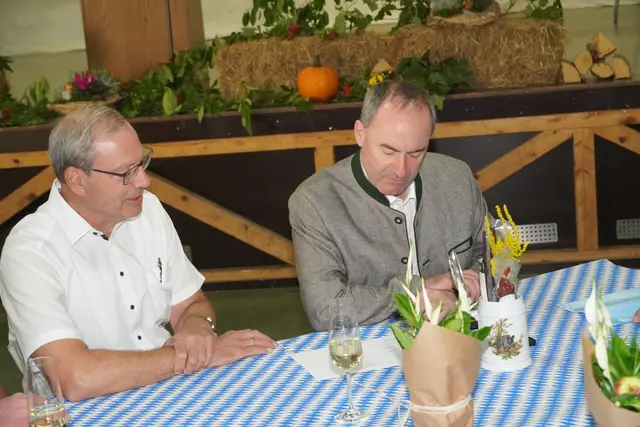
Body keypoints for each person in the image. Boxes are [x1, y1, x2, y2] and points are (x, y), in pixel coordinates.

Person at [0, 105, 276, 402]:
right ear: (77, 180)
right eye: (126, 173)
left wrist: (198, 329)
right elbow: (75, 379)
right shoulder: (30, 251)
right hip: (87, 412)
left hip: (170, 389)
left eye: (142, 163)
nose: (144, 181)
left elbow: (190, 303)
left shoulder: (149, 210)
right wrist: (188, 357)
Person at [288, 79, 488, 331]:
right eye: (389, 151)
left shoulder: (457, 178)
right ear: (360, 134)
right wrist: (416, 292)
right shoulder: (314, 202)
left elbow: (495, 252)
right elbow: (325, 308)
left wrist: (466, 286)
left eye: (416, 153)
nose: (402, 170)